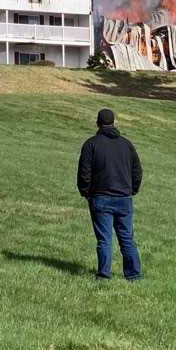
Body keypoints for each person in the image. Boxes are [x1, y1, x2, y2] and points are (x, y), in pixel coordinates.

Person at [77, 107, 142, 280]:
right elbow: (137, 170)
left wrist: (86, 192)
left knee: (104, 239)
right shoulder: (126, 144)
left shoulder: (91, 144)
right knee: (127, 238)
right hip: (124, 198)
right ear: (113, 123)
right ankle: (134, 275)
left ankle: (104, 275)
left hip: (101, 197)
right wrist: (133, 189)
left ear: (98, 123)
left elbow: (84, 172)